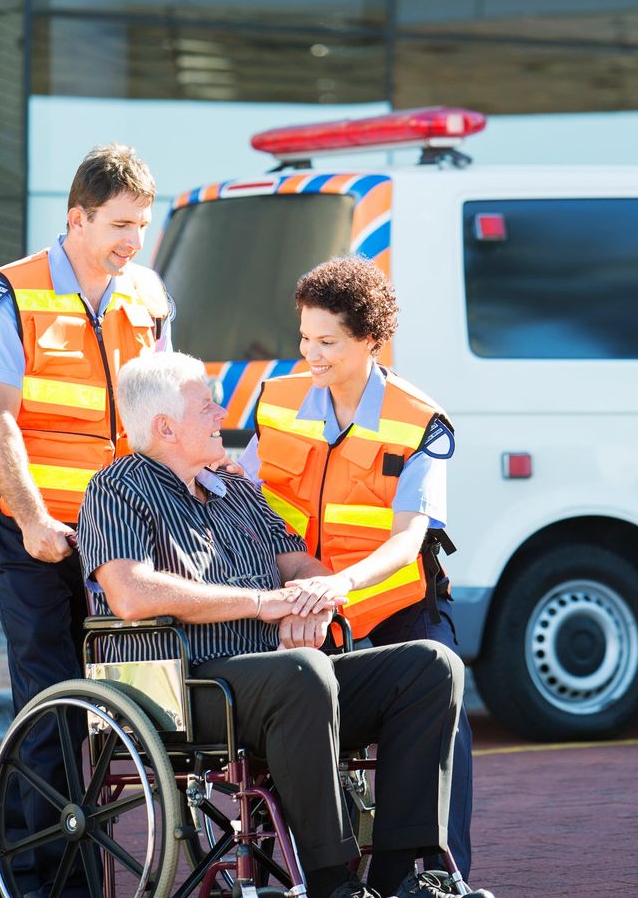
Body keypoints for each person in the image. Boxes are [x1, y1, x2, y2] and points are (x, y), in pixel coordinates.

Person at [77, 350, 484, 898]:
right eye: (206, 407)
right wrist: (262, 604)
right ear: (165, 427)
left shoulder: (234, 488)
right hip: (186, 683)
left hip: (278, 679)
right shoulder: (115, 487)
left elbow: (296, 562)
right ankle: (333, 881)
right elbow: (129, 592)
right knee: (303, 673)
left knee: (430, 666)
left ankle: (400, 874)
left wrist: (313, 601)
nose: (222, 414)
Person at [0, 143, 172, 898]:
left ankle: (40, 878)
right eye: (119, 224)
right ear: (75, 217)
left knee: (120, 710)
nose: (133, 242)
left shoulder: (145, 295)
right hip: (31, 528)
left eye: (142, 225)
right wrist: (36, 517)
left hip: (116, 532)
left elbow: (161, 416)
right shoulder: (8, 294)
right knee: (50, 706)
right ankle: (46, 884)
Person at [238, 254, 473, 880]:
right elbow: (246, 505)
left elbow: (408, 540)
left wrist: (339, 585)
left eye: (328, 342)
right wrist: (295, 595)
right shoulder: (275, 401)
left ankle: (423, 875)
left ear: (369, 339)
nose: (311, 355)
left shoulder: (419, 420)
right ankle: (298, 872)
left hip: (393, 603)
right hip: (298, 598)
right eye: (305, 338)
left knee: (442, 702)